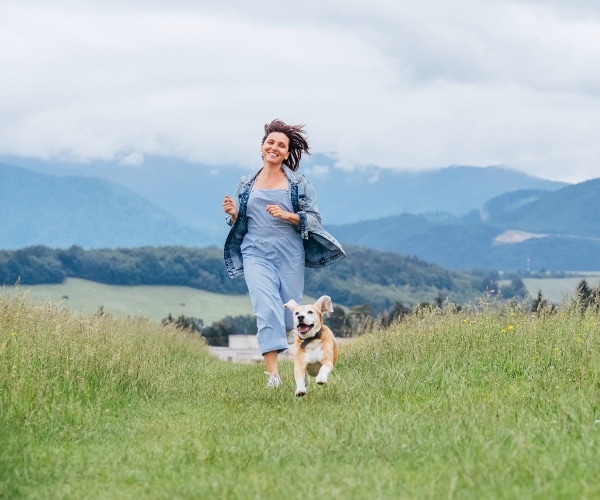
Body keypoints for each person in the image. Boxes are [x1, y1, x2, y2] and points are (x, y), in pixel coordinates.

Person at [223, 119, 346, 387]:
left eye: (281, 145)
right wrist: (234, 215)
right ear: (261, 147)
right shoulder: (246, 183)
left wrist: (288, 216)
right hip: (255, 252)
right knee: (266, 309)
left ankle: (293, 337)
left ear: (287, 153)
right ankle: (273, 376)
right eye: (270, 142)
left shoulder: (299, 183)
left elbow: (313, 219)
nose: (274, 147)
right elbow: (240, 222)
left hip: (289, 254)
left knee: (290, 314)